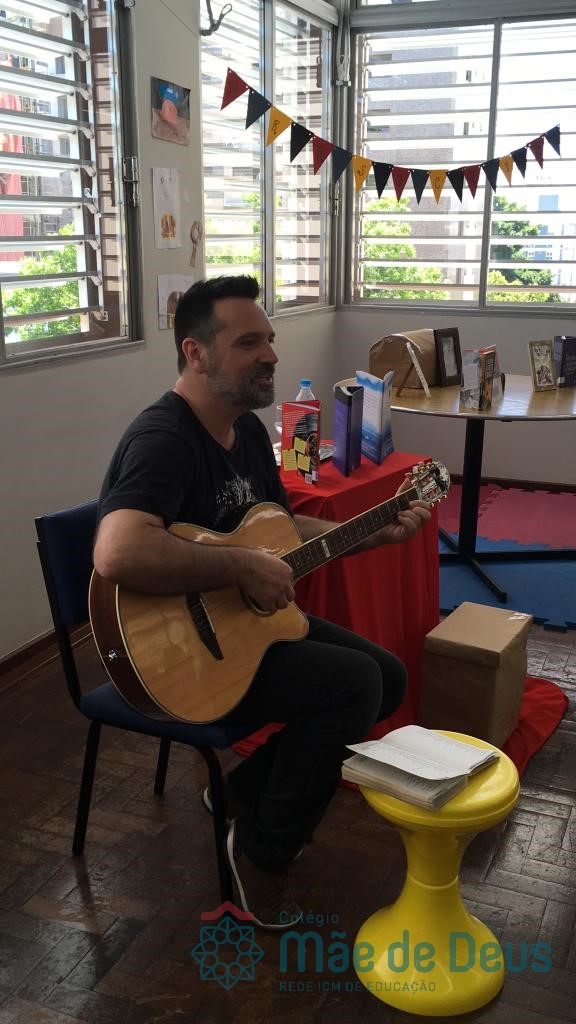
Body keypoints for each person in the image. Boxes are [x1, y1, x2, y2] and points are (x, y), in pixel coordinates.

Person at [93, 275, 431, 930]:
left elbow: (276, 529)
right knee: (353, 686)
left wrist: (368, 533)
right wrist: (241, 566)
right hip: (180, 659)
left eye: (269, 340)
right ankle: (260, 856)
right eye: (249, 343)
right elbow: (117, 551)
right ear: (195, 353)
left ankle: (242, 793)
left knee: (387, 678)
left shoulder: (245, 430)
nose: (271, 355)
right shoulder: (164, 439)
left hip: (240, 632)